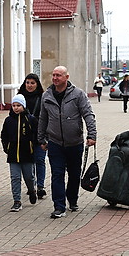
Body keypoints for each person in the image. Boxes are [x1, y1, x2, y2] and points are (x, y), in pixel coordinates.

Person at [38, 66, 97, 218]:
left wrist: (92, 134)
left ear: (66, 77)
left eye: (58, 75)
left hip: (74, 142)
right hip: (55, 143)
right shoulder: (47, 96)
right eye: (54, 75)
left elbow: (88, 115)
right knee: (57, 174)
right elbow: (43, 119)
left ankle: (72, 199)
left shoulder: (78, 95)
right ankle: (59, 206)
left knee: (74, 174)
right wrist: (41, 139)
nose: (55, 78)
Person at [1, 94, 38, 212]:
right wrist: (6, 148)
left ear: (23, 106)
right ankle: (17, 201)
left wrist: (34, 147)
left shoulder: (30, 119)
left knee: (29, 177)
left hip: (27, 154)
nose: (16, 108)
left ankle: (32, 191)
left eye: (18, 105)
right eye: (14, 105)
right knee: (15, 178)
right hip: (13, 155)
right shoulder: (8, 120)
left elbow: (36, 135)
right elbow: (4, 135)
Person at [17, 73, 47, 199]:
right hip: (24, 136)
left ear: (37, 84)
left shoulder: (42, 97)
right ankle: (32, 186)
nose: (29, 85)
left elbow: (47, 116)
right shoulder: (19, 98)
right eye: (27, 82)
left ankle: (40, 186)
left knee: (40, 160)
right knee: (29, 162)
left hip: (39, 134)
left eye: (32, 83)